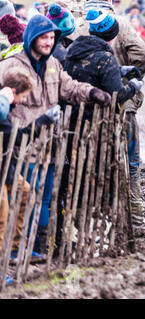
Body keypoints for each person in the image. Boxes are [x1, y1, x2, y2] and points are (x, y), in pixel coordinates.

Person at [0, 14, 111, 255]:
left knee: (44, 198)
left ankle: (38, 245)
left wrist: (92, 92)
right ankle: (17, 249)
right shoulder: (11, 66)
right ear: (31, 38)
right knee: (22, 199)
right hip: (22, 146)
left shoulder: (53, 66)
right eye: (44, 37)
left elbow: (69, 88)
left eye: (52, 37)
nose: (49, 42)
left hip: (49, 146)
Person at [80, 0, 145, 232]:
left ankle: (97, 218)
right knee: (130, 161)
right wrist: (130, 79)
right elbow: (142, 55)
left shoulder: (80, 25)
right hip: (123, 103)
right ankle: (135, 217)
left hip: (89, 107)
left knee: (95, 161)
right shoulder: (120, 23)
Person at [1, 67, 60, 281]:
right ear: (14, 92)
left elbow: (15, 134)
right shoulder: (2, 105)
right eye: (22, 96)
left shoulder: (5, 109)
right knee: (2, 215)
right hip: (1, 169)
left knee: (26, 192)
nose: (21, 102)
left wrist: (42, 120)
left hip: (5, 169)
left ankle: (15, 248)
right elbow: (15, 136)